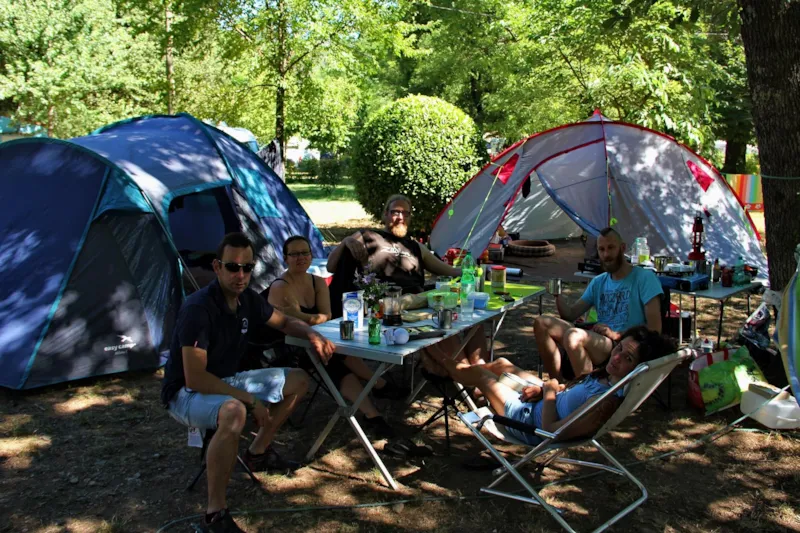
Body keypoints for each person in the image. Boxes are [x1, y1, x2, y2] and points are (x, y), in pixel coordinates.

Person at [161, 232, 335, 533]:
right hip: (186, 393)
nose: (240, 275)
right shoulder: (198, 309)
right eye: (232, 267)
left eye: (247, 267)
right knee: (234, 411)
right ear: (217, 267)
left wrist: (310, 333)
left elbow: (283, 321)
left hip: (227, 380)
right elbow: (195, 377)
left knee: (298, 380)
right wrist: (249, 399)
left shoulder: (248, 299)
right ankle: (214, 515)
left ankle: (258, 452)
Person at [428, 326, 677, 443]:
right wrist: (547, 390)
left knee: (484, 377)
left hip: (528, 422)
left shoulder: (604, 402)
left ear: (637, 368)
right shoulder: (608, 379)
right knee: (502, 363)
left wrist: (548, 392)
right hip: (541, 402)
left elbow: (550, 432)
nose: (617, 357)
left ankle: (437, 358)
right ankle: (462, 371)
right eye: (620, 349)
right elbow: (570, 395)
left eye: (628, 358)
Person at [265, 235, 407, 439]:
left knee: (335, 351)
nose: (300, 258)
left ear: (311, 255)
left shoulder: (317, 282)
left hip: (319, 338)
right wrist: (314, 319)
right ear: (285, 258)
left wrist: (309, 318)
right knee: (333, 357)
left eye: (305, 252)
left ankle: (373, 410)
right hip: (289, 347)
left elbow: (327, 315)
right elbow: (294, 322)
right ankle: (377, 391)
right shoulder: (281, 286)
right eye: (294, 254)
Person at [327, 193, 489, 368]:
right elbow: (331, 267)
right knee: (442, 331)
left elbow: (449, 271)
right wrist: (345, 242)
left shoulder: (415, 246)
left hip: (418, 305)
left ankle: (479, 370)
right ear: (385, 214)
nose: (400, 217)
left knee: (474, 325)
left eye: (406, 213)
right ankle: (469, 375)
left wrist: (474, 272)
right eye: (395, 212)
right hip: (389, 311)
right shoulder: (367, 236)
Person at [534, 227, 663, 381]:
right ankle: (558, 385)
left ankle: (590, 394)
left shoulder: (644, 278)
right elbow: (570, 314)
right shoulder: (599, 282)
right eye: (601, 249)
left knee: (573, 336)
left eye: (611, 248)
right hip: (600, 339)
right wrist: (558, 295)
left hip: (624, 345)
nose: (606, 255)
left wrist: (618, 335)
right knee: (541, 323)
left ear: (622, 248)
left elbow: (655, 329)